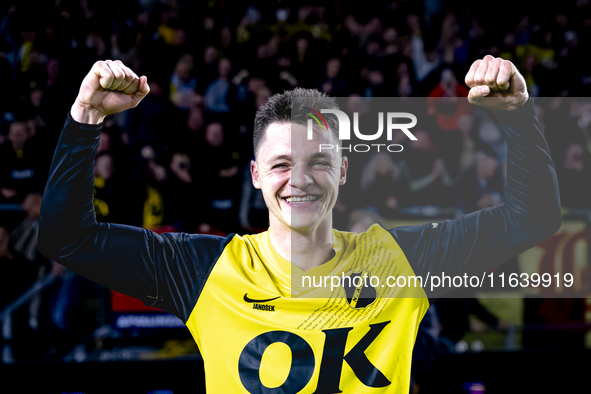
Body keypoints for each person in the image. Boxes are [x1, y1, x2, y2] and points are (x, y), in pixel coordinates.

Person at [39, 56, 561, 393]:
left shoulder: (404, 262)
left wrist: (517, 113)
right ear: (257, 174)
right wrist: (85, 117)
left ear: (343, 170)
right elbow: (68, 238)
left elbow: (533, 217)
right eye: (283, 163)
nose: (300, 180)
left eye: (318, 161)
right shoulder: (202, 270)